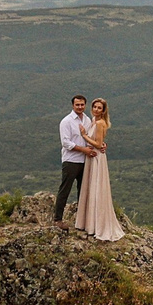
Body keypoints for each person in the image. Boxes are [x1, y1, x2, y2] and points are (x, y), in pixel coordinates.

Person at [76, 97, 125, 241]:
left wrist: (84, 136)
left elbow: (98, 144)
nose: (96, 109)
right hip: (93, 157)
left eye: (99, 108)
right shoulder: (94, 121)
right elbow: (101, 142)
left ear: (103, 111)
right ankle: (91, 223)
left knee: (96, 188)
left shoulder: (99, 123)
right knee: (93, 187)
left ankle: (96, 225)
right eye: (95, 107)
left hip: (96, 157)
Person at [55, 94, 94, 227]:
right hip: (71, 160)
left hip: (85, 161)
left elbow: (91, 137)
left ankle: (82, 220)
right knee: (65, 189)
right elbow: (66, 143)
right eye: (77, 104)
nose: (80, 107)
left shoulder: (87, 120)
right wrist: (84, 150)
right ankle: (58, 219)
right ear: (73, 105)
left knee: (83, 191)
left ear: (85, 105)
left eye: (82, 104)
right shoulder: (66, 121)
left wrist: (100, 145)